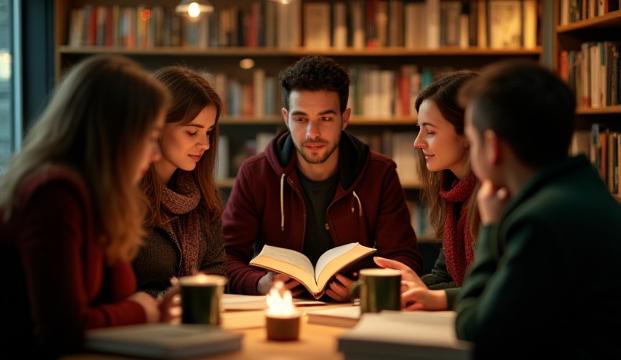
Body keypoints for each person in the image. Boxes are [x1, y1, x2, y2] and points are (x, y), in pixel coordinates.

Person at [456, 61, 621, 356]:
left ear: (492, 146)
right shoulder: (580, 193)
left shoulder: (543, 219)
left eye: (471, 139)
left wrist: (490, 228)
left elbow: (478, 329)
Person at [0, 55, 175, 356]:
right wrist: (143, 309)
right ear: (114, 137)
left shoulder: (99, 197)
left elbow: (116, 297)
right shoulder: (54, 195)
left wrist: (151, 307)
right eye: (150, 137)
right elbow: (63, 330)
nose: (157, 153)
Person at [223, 56, 422, 301]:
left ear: (345, 118)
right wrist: (260, 283)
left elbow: (403, 258)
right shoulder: (255, 173)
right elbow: (225, 257)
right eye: (301, 119)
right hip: (279, 307)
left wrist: (362, 289)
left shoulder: (380, 172)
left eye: (325, 119)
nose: (312, 133)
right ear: (286, 117)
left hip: (354, 309)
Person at [376, 71, 479, 311]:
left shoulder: (497, 198)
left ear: (468, 134)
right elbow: (445, 277)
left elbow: (495, 291)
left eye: (430, 131)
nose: (417, 142)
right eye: (419, 129)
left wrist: (426, 293)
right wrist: (404, 286)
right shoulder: (454, 192)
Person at [133, 66, 226, 297]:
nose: (205, 144)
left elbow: (218, 269)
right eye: (192, 132)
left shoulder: (200, 195)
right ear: (156, 127)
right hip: (140, 325)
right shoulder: (125, 194)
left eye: (209, 132)